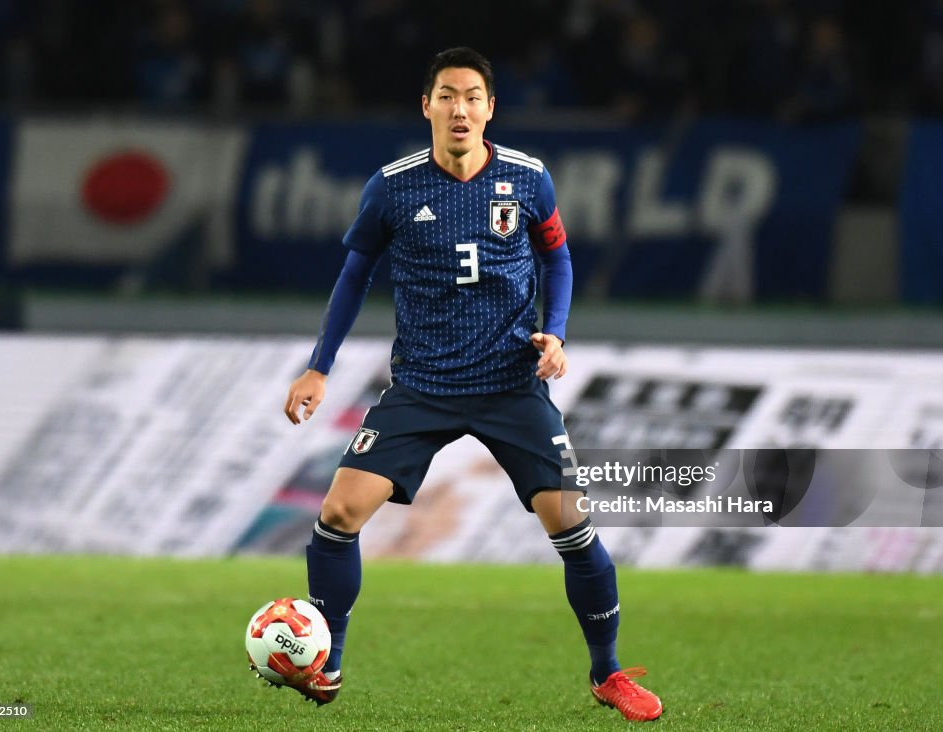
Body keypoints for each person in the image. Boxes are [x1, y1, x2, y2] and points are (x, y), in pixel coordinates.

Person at [283, 47, 663, 723]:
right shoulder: (393, 187)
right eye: (448, 95)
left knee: (570, 523)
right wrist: (320, 365)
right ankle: (328, 661)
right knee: (338, 516)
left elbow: (559, 257)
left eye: (474, 96)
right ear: (426, 106)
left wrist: (558, 332)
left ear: (491, 108)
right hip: (423, 385)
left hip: (511, 383)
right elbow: (352, 278)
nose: (461, 108)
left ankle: (607, 673)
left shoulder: (527, 179)